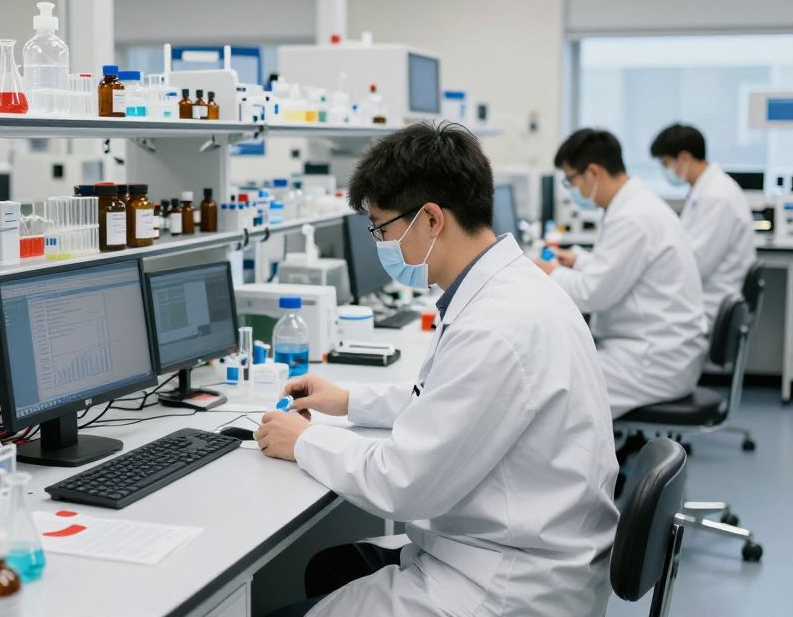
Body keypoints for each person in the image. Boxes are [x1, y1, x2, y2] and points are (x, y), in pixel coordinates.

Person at [256, 122, 618, 617]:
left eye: (383, 229)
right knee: (329, 567)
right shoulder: (506, 289)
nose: (383, 245)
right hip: (506, 547)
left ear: (430, 219)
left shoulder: (495, 326)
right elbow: (447, 400)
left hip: (505, 585)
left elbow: (403, 483)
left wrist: (302, 441)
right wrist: (349, 400)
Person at [535, 128, 707, 417]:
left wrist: (547, 271)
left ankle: (589, 462)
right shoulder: (632, 205)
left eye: (570, 180)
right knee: (557, 374)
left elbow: (592, 294)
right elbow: (617, 268)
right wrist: (577, 261)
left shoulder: (633, 217)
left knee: (555, 394)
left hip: (653, 359)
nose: (571, 189)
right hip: (652, 346)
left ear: (593, 172)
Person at [650, 123, 756, 326]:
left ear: (684, 158)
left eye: (665, 163)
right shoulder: (706, 191)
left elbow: (695, 265)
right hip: (705, 299)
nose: (665, 170)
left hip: (709, 308)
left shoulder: (717, 196)